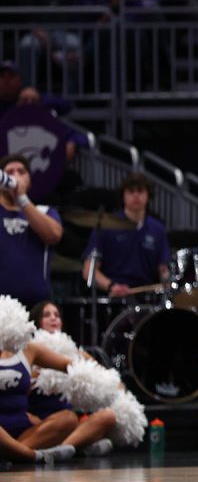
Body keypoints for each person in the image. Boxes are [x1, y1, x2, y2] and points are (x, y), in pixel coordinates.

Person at [26, 301, 117, 457]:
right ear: (36, 321)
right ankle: (80, 446)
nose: (53, 318)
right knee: (67, 419)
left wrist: (119, 387)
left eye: (57, 315)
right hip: (43, 424)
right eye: (47, 315)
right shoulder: (30, 351)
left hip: (72, 422)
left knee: (108, 416)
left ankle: (63, 449)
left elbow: (106, 377)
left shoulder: (76, 353)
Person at [0, 330, 99, 465]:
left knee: (68, 418)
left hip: (24, 430)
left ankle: (10, 453)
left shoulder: (29, 348)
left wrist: (100, 374)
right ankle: (34, 456)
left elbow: (69, 365)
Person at [81, 173, 170, 295]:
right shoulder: (105, 227)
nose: (136, 195)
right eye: (131, 191)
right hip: (113, 296)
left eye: (140, 191)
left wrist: (168, 281)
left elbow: (163, 269)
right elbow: (88, 271)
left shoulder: (158, 229)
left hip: (147, 298)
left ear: (148, 195)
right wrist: (111, 286)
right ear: (123, 196)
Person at [0, 156, 62, 306]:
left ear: (29, 180)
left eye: (21, 171)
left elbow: (54, 235)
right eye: (10, 172)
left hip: (37, 306)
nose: (15, 176)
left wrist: (21, 198)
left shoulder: (45, 211)